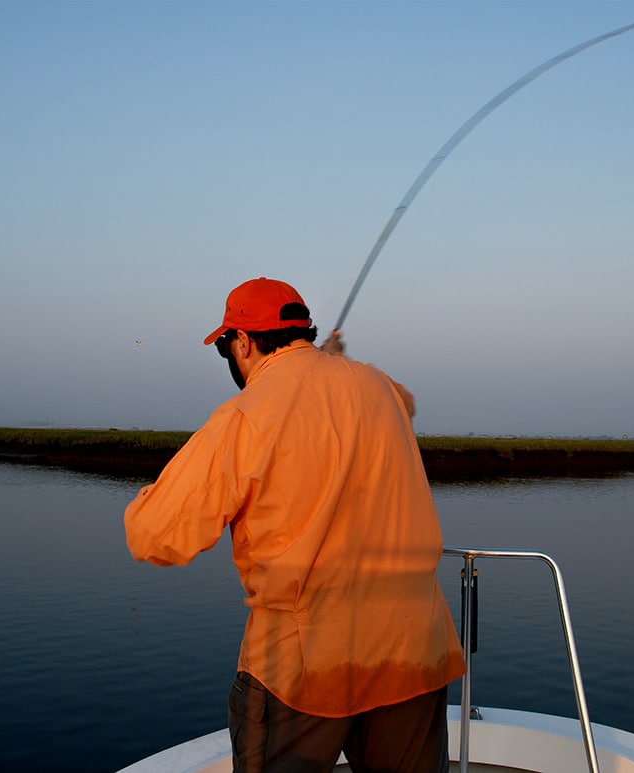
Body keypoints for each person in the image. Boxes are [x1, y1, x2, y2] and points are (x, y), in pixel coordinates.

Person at [124, 277, 465, 772]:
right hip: (414, 652)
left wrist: (153, 494)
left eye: (227, 345)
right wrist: (334, 364)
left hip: (303, 668)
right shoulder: (380, 387)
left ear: (241, 341)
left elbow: (153, 538)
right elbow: (403, 402)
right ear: (302, 331)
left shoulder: (245, 414)